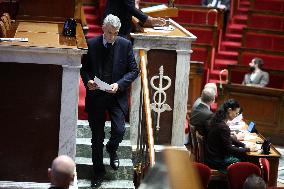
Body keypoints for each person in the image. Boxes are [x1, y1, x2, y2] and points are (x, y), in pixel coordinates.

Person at [80, 14, 139, 185]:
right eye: (110, 33)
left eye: (116, 33)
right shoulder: (91, 44)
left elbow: (134, 71)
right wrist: (88, 81)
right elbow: (85, 69)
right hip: (97, 96)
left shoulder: (125, 44)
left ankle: (112, 148)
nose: (112, 37)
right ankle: (98, 172)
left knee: (120, 131)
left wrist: (119, 84)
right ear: (103, 29)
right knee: (96, 138)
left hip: (116, 95)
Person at [205, 99, 257, 172]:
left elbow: (228, 138)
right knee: (244, 160)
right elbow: (230, 149)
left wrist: (244, 145)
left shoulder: (217, 120)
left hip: (211, 157)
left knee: (241, 154)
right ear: (229, 110)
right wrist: (249, 149)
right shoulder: (223, 127)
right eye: (236, 113)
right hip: (217, 161)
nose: (236, 116)